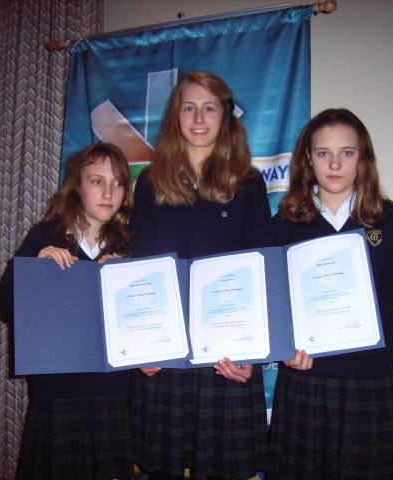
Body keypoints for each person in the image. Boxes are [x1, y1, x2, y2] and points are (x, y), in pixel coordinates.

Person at [268, 108, 393, 479]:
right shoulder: (285, 222)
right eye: (323, 153)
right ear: (308, 158)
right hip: (306, 381)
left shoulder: (385, 217)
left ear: (362, 157)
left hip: (371, 378)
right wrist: (285, 351)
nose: (335, 164)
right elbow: (274, 305)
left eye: (346, 152)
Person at [130, 71, 273, 480]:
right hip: (165, 352)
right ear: (175, 116)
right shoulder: (150, 183)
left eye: (209, 108)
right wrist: (140, 347)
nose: (198, 119)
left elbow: (262, 269)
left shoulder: (248, 183)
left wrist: (252, 353)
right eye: (188, 108)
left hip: (227, 353)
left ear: (225, 116)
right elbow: (139, 271)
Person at [0, 142, 135, 480]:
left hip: (111, 390)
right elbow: (1, 301)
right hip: (56, 390)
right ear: (77, 186)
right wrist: (35, 273)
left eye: (117, 183)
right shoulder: (46, 235)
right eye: (97, 181)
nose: (108, 193)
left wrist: (127, 278)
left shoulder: (129, 243)